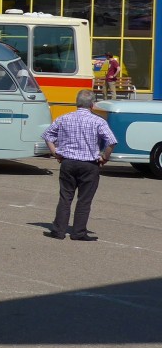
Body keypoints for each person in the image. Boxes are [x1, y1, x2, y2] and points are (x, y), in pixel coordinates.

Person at [41, 89, 116, 242]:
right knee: (84, 199)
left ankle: (58, 231)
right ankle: (79, 232)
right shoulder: (98, 121)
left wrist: (56, 153)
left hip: (68, 162)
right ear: (92, 105)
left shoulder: (64, 118)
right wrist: (104, 157)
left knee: (65, 197)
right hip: (89, 165)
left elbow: (47, 135)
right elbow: (111, 141)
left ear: (77, 103)